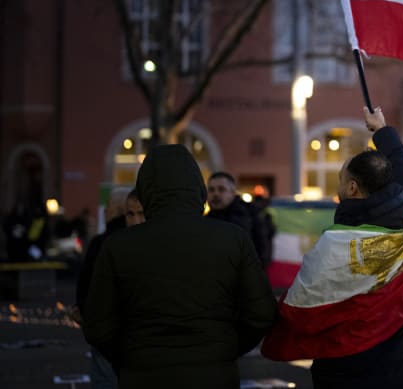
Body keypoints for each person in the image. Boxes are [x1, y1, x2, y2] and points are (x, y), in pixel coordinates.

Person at [262, 106, 403, 389]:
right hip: (400, 375)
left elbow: (299, 311)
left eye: (341, 179)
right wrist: (381, 129)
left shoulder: (335, 247)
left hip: (345, 374)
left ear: (352, 188)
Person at [82, 144, 277, 388]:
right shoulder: (232, 239)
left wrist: (130, 356)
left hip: (143, 374)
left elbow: (97, 324)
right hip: (213, 374)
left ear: (146, 189)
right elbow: (261, 313)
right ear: (197, 187)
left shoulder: (118, 246)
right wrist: (224, 349)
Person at [73, 187, 134, 389]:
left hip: (106, 326)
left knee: (105, 378)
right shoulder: (139, 240)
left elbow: (88, 282)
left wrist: (82, 310)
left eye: (108, 208)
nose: (105, 212)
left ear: (117, 209)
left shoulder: (103, 242)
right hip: (131, 328)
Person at [206, 171, 268, 265]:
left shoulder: (251, 215)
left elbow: (262, 250)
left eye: (221, 189)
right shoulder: (204, 221)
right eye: (211, 190)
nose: (216, 194)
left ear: (232, 193)